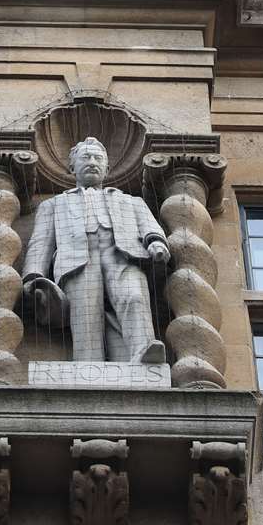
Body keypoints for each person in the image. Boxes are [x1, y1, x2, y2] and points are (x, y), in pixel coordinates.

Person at [21, 137, 171, 364]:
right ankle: (88, 365)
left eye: (98, 158)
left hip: (123, 256)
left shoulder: (131, 201)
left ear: (108, 168)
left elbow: (148, 224)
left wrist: (156, 241)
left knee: (134, 296)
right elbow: (41, 242)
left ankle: (143, 352)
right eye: (85, 157)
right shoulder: (53, 204)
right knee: (86, 315)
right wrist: (33, 276)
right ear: (72, 167)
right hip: (77, 262)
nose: (92, 162)